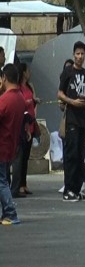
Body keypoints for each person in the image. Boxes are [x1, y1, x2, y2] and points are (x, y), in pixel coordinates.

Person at [57, 41, 85, 202]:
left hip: (83, 119)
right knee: (71, 155)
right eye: (77, 54)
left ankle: (77, 189)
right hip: (71, 118)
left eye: (82, 54)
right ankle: (68, 190)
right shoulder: (68, 72)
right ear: (74, 54)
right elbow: (59, 93)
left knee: (80, 155)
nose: (80, 56)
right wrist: (71, 102)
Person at [0, 64, 26, 225]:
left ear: (4, 78)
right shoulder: (20, 98)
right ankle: (7, 212)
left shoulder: (5, 99)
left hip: (2, 145)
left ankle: (10, 211)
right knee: (4, 180)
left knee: (1, 181)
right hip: (11, 145)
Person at [11, 63, 38, 198]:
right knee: (19, 157)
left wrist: (33, 101)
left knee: (26, 155)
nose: (30, 73)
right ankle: (18, 185)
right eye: (28, 71)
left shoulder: (29, 86)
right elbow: (21, 102)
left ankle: (23, 183)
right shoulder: (18, 88)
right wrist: (29, 102)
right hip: (23, 124)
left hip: (31, 122)